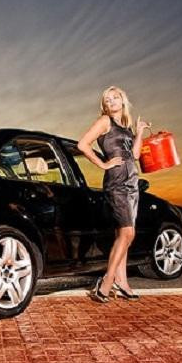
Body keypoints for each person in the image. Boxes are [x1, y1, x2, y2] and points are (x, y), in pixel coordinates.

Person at [77, 86, 150, 303]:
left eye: (115, 98)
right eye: (107, 100)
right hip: (117, 183)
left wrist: (139, 132)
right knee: (128, 234)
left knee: (123, 235)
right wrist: (103, 164)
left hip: (132, 183)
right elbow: (82, 144)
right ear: (105, 105)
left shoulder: (125, 126)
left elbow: (135, 154)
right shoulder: (104, 122)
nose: (112, 102)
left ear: (123, 100)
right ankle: (107, 281)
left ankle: (123, 282)